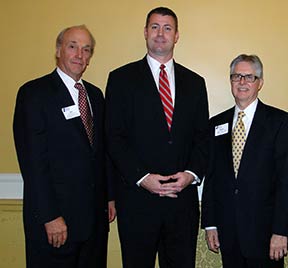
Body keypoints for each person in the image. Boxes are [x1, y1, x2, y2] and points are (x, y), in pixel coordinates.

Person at [104, 6, 209, 268]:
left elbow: (202, 138)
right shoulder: (120, 79)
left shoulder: (195, 83)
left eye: (167, 28)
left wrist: (191, 175)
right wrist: (142, 178)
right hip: (138, 202)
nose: (160, 34)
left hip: (181, 203)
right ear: (145, 32)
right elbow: (113, 137)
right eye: (154, 27)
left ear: (176, 36)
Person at [13, 25, 116, 268]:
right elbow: (33, 162)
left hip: (93, 224)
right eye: (73, 46)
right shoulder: (34, 94)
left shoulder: (95, 95)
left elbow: (102, 153)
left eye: (86, 49)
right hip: (57, 224)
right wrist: (50, 216)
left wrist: (109, 197)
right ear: (58, 50)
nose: (79, 55)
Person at [201, 54, 288, 268]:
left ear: (260, 83)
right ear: (231, 81)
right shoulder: (216, 124)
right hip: (228, 233)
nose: (242, 82)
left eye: (249, 77)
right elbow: (212, 177)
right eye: (237, 77)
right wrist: (210, 224)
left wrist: (281, 231)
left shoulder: (280, 123)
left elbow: (287, 182)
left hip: (266, 235)